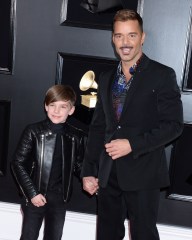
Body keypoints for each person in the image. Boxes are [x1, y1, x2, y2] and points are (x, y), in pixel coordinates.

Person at [81, 9, 183, 240]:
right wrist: (89, 171)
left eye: (131, 35)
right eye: (119, 36)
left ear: (142, 37)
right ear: (113, 39)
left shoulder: (162, 75)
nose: (125, 42)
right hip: (108, 173)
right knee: (106, 234)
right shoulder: (106, 78)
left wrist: (133, 145)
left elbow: (173, 125)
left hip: (144, 172)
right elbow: (98, 128)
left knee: (144, 235)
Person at [11, 84, 84, 240]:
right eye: (52, 105)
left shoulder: (76, 136)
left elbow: (78, 165)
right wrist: (32, 193)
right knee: (28, 236)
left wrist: (90, 178)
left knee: (54, 237)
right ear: (46, 106)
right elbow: (17, 163)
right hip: (34, 196)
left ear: (71, 110)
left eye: (63, 106)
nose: (56, 111)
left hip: (60, 198)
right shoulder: (33, 131)